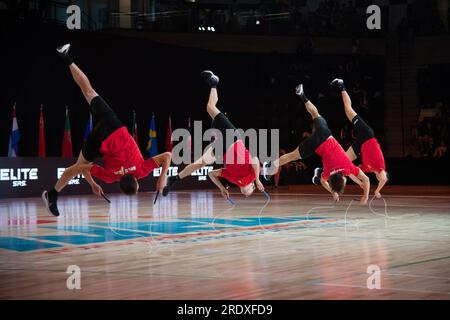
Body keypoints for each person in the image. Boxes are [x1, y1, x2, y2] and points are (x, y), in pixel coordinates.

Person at [42, 44, 172, 216]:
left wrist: (162, 178)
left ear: (136, 182)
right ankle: (53, 193)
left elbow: (167, 156)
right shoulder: (111, 177)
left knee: (88, 91)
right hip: (99, 140)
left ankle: (66, 57)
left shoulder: (141, 171)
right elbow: (84, 169)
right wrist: (92, 184)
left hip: (113, 125)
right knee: (77, 167)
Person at [163, 70, 265, 200]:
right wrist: (257, 180)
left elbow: (211, 174)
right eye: (251, 190)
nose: (246, 192)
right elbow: (255, 160)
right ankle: (214, 83)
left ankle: (174, 179)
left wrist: (221, 187)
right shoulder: (252, 176)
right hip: (233, 138)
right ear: (252, 186)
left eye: (244, 193)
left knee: (199, 164)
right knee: (210, 107)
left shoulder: (234, 180)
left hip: (221, 149)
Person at [263, 84, 370, 204]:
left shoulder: (348, 167)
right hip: (315, 145)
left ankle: (302, 95)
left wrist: (365, 196)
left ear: (343, 179)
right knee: (292, 156)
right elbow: (323, 182)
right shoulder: (328, 173)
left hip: (324, 134)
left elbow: (366, 180)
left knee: (316, 115)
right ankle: (270, 167)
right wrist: (333, 192)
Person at [331, 78, 388, 198]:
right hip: (367, 135)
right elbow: (383, 179)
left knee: (344, 163)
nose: (380, 178)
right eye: (380, 178)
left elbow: (351, 171)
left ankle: (335, 190)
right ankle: (342, 85)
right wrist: (377, 190)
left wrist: (360, 183)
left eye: (378, 179)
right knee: (348, 111)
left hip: (361, 145)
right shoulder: (380, 167)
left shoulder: (368, 169)